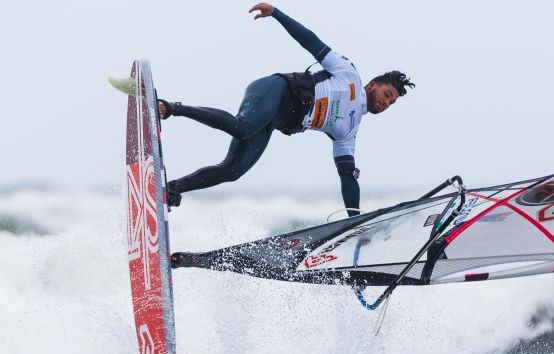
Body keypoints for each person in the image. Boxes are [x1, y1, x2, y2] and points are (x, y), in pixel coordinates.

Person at [158, 2, 415, 216]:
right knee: (243, 126)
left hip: (272, 120)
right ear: (372, 85)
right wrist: (277, 14)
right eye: (387, 94)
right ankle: (171, 108)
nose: (386, 102)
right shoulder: (349, 74)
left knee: (232, 170)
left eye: (391, 102)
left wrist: (355, 220)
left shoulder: (348, 130)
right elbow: (311, 41)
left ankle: (170, 188)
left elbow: (348, 176)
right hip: (275, 89)